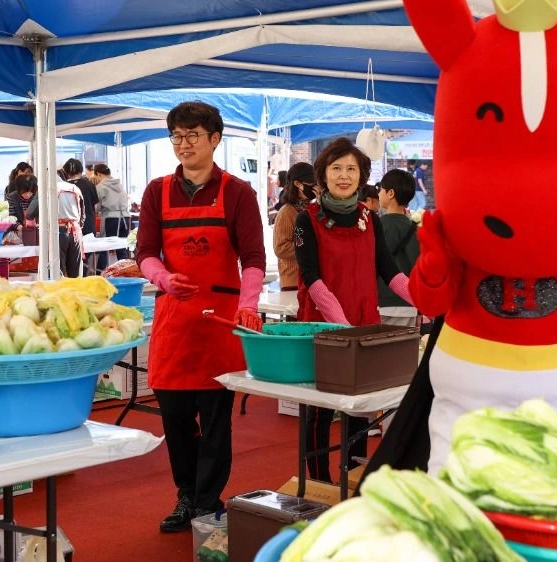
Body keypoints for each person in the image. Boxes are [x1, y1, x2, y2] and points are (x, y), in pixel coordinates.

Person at [136, 101, 265, 532]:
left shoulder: (238, 192)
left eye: (193, 135)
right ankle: (185, 496)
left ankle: (209, 502)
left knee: (214, 421)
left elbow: (253, 257)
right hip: (174, 320)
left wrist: (248, 303)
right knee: (174, 418)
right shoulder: (156, 191)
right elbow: (144, 253)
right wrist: (163, 277)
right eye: (176, 136)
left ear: (215, 139)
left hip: (220, 323)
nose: (183, 144)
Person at [295, 137, 413, 482]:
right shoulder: (308, 220)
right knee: (319, 412)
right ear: (323, 175)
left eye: (351, 169)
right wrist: (343, 328)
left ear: (361, 177)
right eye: (336, 168)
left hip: (364, 327)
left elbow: (390, 273)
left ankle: (353, 475)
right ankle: (318, 484)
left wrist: (426, 301)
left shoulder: (370, 219)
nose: (343, 176)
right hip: (324, 331)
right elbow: (312, 279)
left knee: (360, 409)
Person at [377, 169, 420, 326]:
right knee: (402, 349)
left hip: (381, 301)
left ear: (390, 193)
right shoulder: (414, 228)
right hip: (408, 302)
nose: (378, 193)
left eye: (381, 189)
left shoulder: (377, 226)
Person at [273, 163, 317, 291]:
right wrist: (308, 248)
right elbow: (280, 248)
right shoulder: (287, 211)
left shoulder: (311, 209)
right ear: (297, 184)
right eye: (311, 184)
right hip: (293, 281)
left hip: (310, 279)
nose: (314, 188)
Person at [93, 164, 131, 269]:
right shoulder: (120, 184)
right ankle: (126, 272)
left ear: (98, 174)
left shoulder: (100, 187)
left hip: (111, 218)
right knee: (122, 247)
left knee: (104, 247)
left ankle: (100, 273)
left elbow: (97, 206)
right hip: (125, 217)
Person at [56, 176, 85, 278]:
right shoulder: (75, 188)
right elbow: (83, 215)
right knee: (75, 274)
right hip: (75, 232)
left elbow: (30, 213)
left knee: (59, 273)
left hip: (58, 232)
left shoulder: (49, 189)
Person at [63, 158, 99, 237]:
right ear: (81, 170)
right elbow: (95, 205)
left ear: (66, 172)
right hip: (88, 225)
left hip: (69, 228)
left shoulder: (62, 187)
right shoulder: (89, 185)